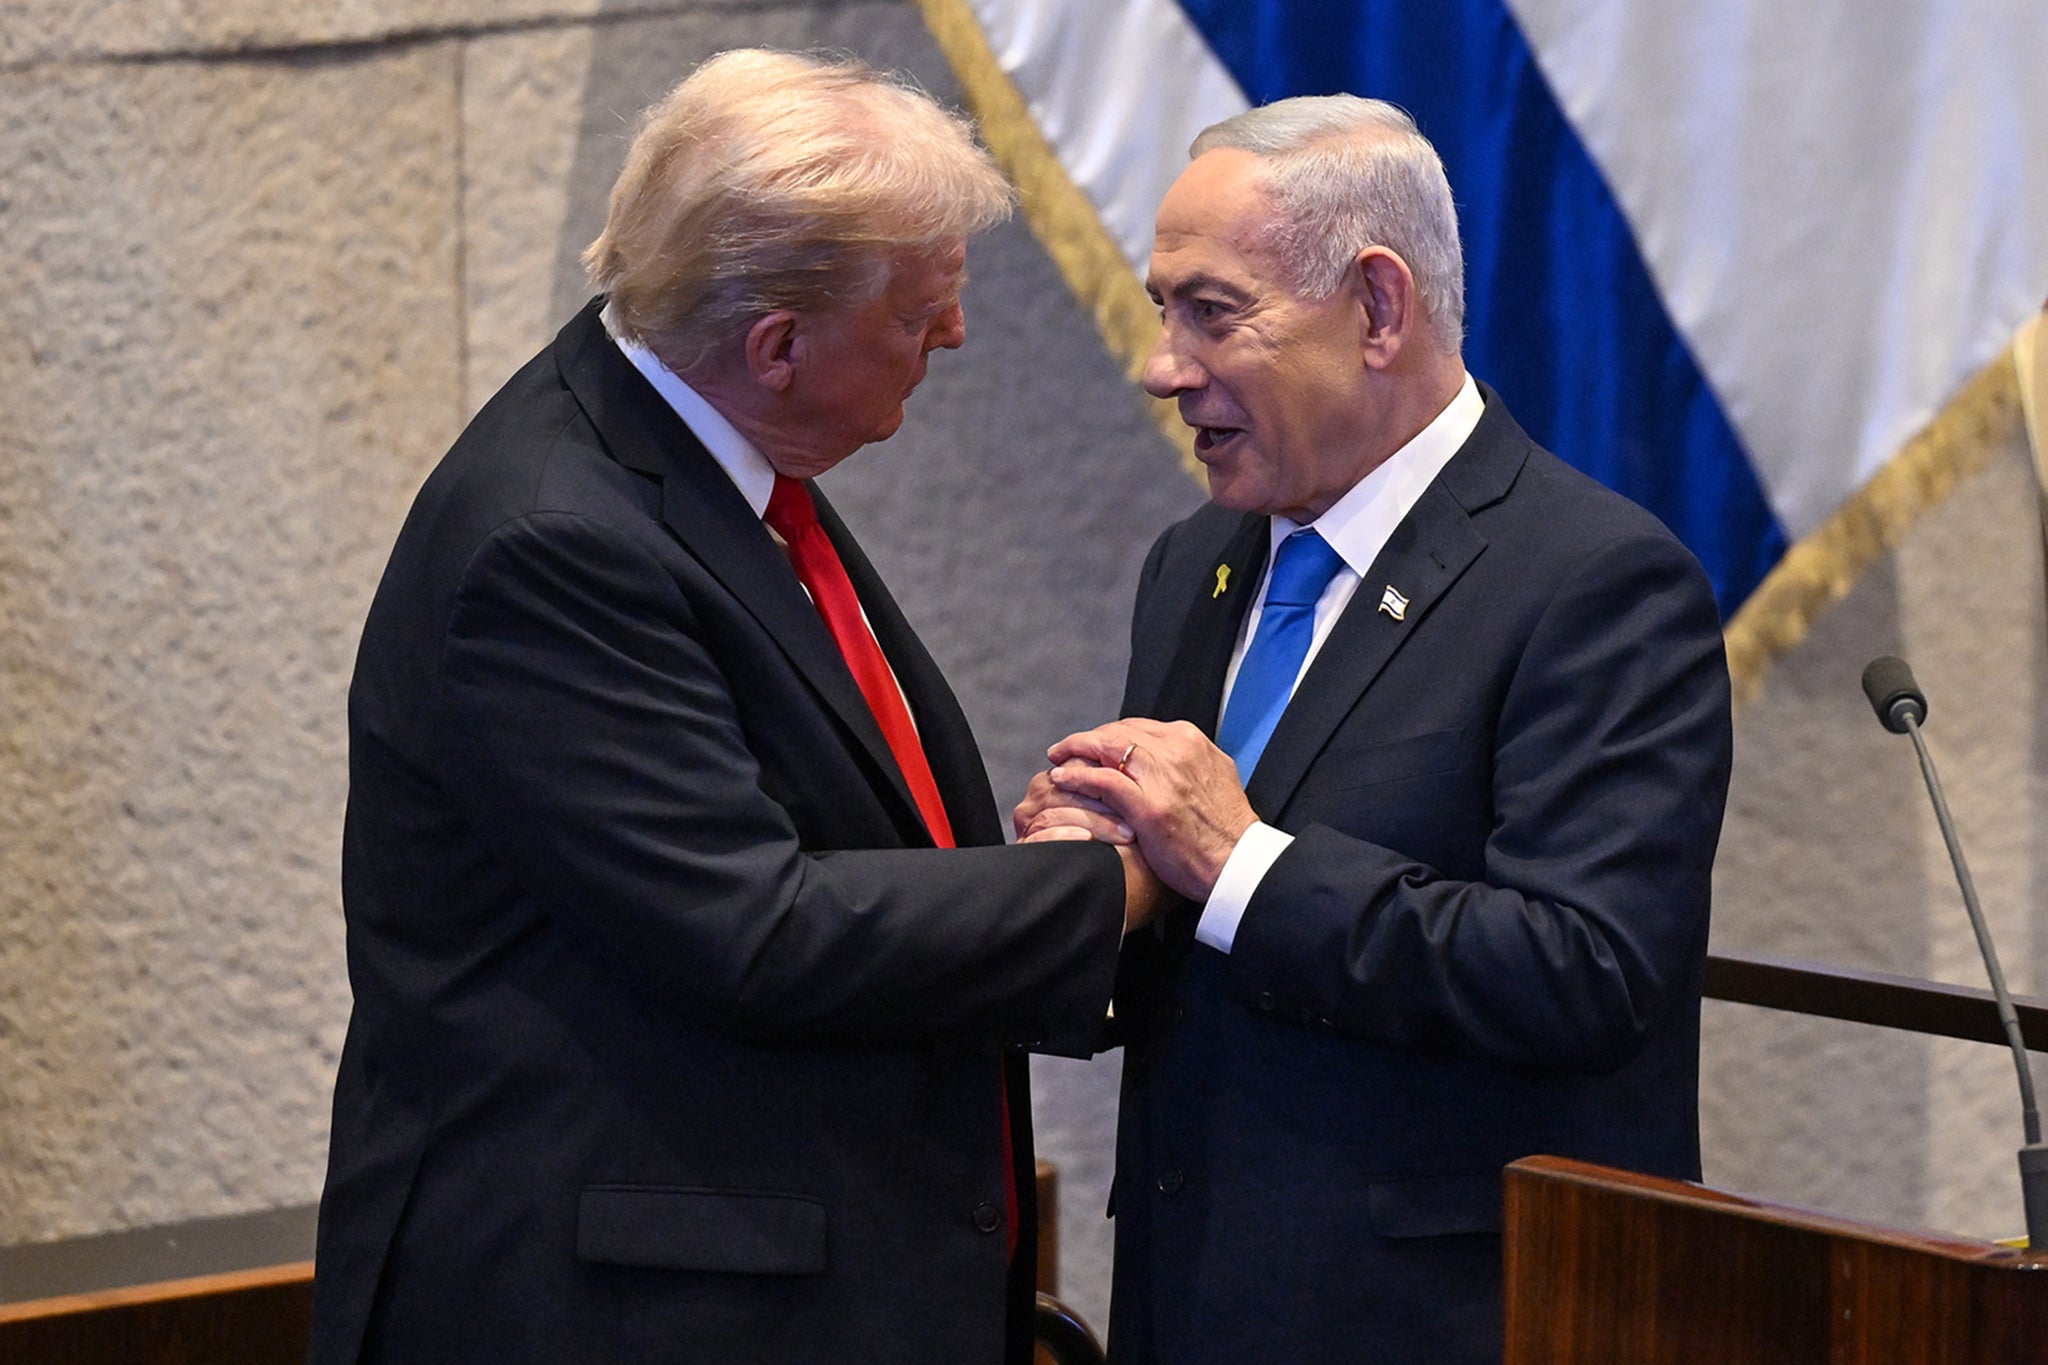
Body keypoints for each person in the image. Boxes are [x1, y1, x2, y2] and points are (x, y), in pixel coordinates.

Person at [311, 49, 1152, 1365]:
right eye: (923, 310)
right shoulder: (549, 545)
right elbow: (755, 930)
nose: (955, 335)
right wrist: (1105, 886)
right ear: (777, 345)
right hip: (627, 1321)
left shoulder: (702, 461)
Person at [1018, 96, 1733, 1363]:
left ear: (1377, 308)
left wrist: (1235, 862)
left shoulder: (1595, 580)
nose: (1162, 363)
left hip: (1447, 1320)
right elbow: (1198, 949)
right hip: (1191, 1296)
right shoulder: (1195, 564)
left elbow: (1588, 973)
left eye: (1211, 311)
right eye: (1159, 307)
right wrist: (1099, 884)